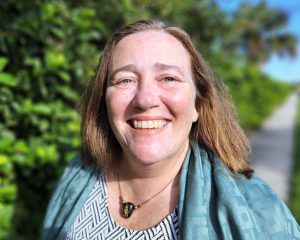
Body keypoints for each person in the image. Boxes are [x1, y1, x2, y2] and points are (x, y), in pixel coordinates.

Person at [42, 19, 300, 240]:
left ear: (198, 104)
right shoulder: (77, 177)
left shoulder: (259, 210)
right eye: (125, 80)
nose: (145, 99)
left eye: (168, 78)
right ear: (104, 102)